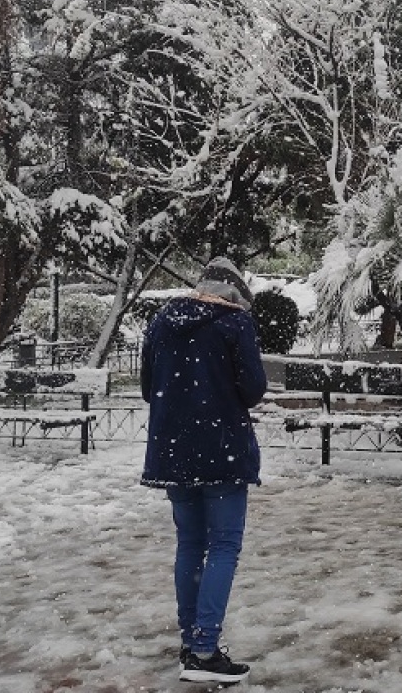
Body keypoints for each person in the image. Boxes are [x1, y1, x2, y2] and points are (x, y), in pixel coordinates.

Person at [140, 257, 267, 686]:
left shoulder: (161, 322)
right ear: (236, 294)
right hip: (222, 447)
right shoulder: (234, 324)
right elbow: (253, 390)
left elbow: (145, 388)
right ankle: (204, 648)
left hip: (172, 448)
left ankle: (190, 639)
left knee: (190, 544)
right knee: (225, 545)